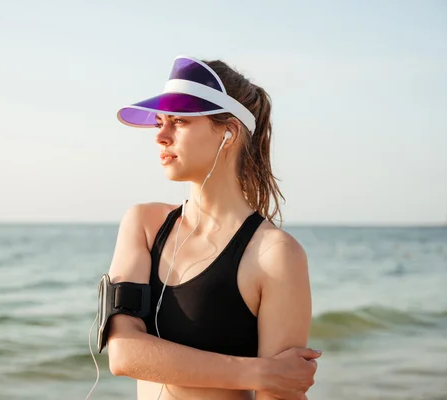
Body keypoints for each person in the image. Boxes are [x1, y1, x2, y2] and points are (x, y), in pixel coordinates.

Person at [102, 56, 320, 400]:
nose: (161, 135)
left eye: (179, 121)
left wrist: (271, 381)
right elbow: (123, 354)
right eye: (160, 121)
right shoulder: (144, 225)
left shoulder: (275, 255)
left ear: (229, 132)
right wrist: (259, 372)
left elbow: (281, 392)